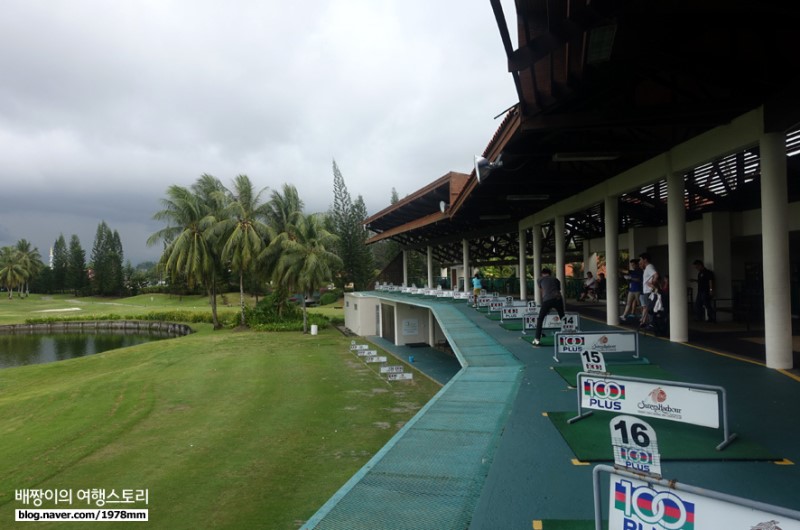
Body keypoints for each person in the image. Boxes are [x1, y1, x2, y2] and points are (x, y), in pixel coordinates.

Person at [532, 268, 565, 346]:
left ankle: (537, 339)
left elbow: (542, 290)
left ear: (542, 273)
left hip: (547, 300)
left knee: (540, 319)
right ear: (550, 273)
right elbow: (558, 289)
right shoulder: (556, 279)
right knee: (562, 317)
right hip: (558, 299)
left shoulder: (540, 279)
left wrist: (545, 302)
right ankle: (566, 336)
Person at [638, 253, 658, 326]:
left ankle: (652, 324)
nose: (640, 261)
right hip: (647, 291)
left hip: (649, 292)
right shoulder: (647, 268)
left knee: (649, 309)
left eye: (641, 259)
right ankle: (649, 323)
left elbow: (656, 275)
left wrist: (652, 283)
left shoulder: (649, 267)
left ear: (645, 260)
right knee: (648, 308)